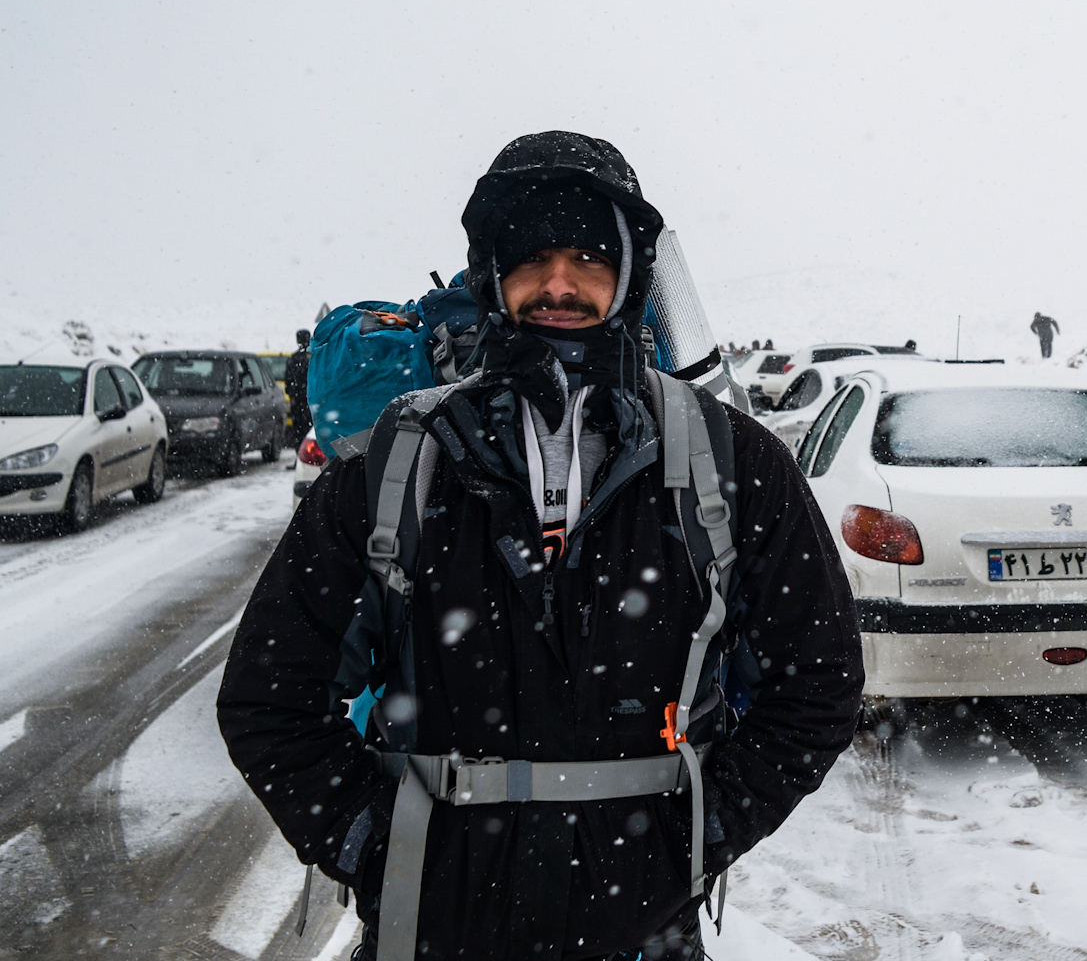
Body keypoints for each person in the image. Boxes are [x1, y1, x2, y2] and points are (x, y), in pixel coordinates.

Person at [217, 132, 864, 961]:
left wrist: (692, 840)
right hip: (430, 931)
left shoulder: (731, 461)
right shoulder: (400, 462)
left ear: (630, 274)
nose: (560, 283)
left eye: (588, 258)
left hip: (643, 932)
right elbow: (269, 698)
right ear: (493, 273)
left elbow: (820, 682)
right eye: (532, 257)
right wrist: (376, 850)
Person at [284, 328, 312, 444]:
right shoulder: (314, 356)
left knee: (299, 429)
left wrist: (292, 396)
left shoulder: (294, 358)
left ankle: (300, 450)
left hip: (300, 399)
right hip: (311, 398)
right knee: (311, 429)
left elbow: (289, 379)